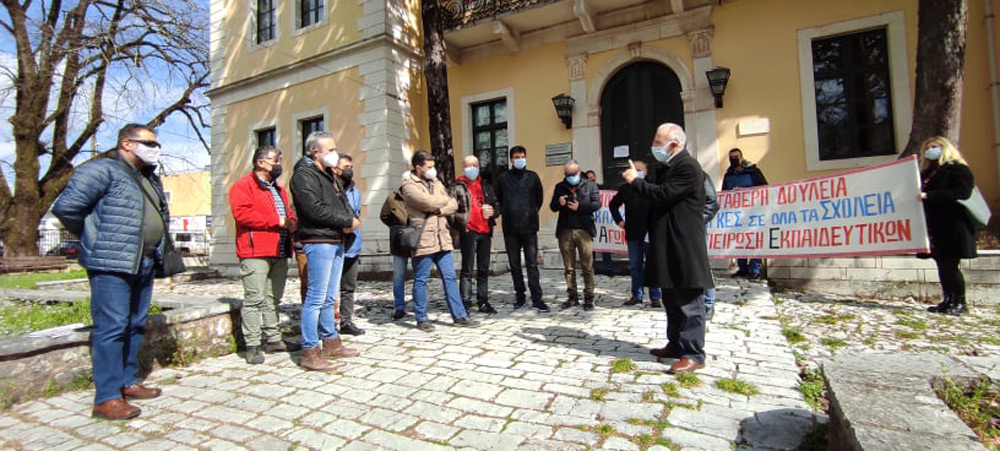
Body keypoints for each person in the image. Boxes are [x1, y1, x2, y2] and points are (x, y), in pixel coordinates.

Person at [53, 124, 168, 420]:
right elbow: (67, 208)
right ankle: (106, 398)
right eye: (149, 143)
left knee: (135, 324)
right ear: (127, 144)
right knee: (112, 326)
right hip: (111, 262)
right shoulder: (102, 169)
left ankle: (128, 381)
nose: (155, 148)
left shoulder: (147, 178)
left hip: (142, 260)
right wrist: (96, 237)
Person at [622, 123, 713, 374]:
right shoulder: (668, 167)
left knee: (689, 301)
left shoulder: (687, 166)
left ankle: (693, 353)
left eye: (658, 142)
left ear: (674, 144)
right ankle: (675, 344)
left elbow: (663, 194)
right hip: (666, 241)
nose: (654, 146)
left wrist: (635, 182)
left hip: (683, 242)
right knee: (671, 298)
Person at [289, 131, 361, 371]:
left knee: (330, 297)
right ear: (315, 152)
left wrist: (350, 218)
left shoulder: (328, 174)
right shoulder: (303, 175)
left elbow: (341, 202)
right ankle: (310, 350)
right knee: (316, 298)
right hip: (318, 240)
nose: (335, 154)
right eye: (330, 150)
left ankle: (331, 341)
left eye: (335, 149)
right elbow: (314, 209)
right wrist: (345, 221)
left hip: (336, 239)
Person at [228, 146, 299, 365]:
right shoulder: (242, 186)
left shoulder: (279, 190)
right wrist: (276, 221)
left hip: (279, 248)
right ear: (260, 162)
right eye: (275, 159)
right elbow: (242, 214)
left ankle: (274, 338)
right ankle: (252, 344)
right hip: (255, 250)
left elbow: (286, 213)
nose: (279, 163)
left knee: (273, 298)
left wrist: (291, 221)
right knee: (254, 299)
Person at [400, 151, 482, 331]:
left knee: (450, 277)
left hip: (442, 237)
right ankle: (421, 318)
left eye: (433, 166)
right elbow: (426, 202)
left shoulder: (437, 182)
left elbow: (453, 204)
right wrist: (442, 202)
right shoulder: (408, 185)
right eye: (429, 167)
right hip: (423, 238)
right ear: (418, 167)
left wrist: (440, 207)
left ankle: (459, 315)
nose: (432, 170)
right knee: (421, 279)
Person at [918, 136, 978, 316]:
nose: (930, 150)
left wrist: (930, 196)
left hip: (953, 225)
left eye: (934, 146)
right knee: (941, 264)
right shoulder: (927, 172)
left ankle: (960, 302)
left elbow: (962, 192)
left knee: (950, 265)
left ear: (945, 148)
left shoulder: (958, 169)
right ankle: (947, 300)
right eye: (927, 148)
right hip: (934, 225)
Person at [496, 146, 549, 312]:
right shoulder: (503, 178)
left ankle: (537, 298)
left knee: (532, 264)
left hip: (529, 227)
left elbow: (539, 199)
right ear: (511, 159)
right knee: (515, 265)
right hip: (510, 228)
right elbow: (498, 198)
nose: (520, 159)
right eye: (516, 157)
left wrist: (530, 212)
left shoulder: (532, 177)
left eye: (522, 156)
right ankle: (520, 295)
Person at [610, 160, 661, 308]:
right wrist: (619, 221)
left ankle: (655, 296)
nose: (637, 171)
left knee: (653, 265)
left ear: (645, 171)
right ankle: (636, 295)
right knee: (635, 266)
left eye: (640, 169)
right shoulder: (625, 188)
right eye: (634, 169)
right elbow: (613, 205)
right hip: (633, 232)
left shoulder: (652, 186)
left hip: (650, 233)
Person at [550, 160, 601, 310]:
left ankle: (589, 296)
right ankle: (572, 295)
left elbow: (596, 204)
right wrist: (559, 203)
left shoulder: (590, 185)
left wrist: (580, 207)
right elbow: (552, 207)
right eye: (567, 174)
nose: (569, 177)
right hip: (565, 230)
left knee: (587, 266)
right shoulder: (560, 187)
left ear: (579, 172)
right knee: (569, 267)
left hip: (584, 230)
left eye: (572, 174)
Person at [453, 156, 499, 314]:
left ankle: (483, 301)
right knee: (467, 269)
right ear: (463, 168)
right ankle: (465, 302)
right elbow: (451, 211)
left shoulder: (486, 186)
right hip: (468, 232)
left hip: (485, 231)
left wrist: (493, 212)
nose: (472, 168)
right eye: (468, 165)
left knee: (484, 269)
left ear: (479, 166)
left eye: (475, 165)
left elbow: (496, 205)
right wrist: (463, 223)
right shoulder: (457, 187)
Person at [721, 148, 768, 279]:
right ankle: (742, 268)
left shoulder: (753, 171)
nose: (734, 159)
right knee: (739, 240)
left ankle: (755, 270)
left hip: (753, 212)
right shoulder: (728, 175)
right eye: (731, 157)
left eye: (736, 157)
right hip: (736, 214)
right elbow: (724, 193)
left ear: (741, 157)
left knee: (754, 240)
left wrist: (747, 193)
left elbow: (765, 188)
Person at [336, 155, 365, 335]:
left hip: (352, 245)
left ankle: (346, 322)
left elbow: (357, 213)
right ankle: (324, 324)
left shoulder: (355, 190)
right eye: (346, 166)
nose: (349, 169)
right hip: (334, 243)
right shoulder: (330, 187)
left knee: (348, 287)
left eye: (351, 166)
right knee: (328, 288)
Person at [380, 171, 412, 320]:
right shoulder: (393, 197)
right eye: (405, 181)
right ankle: (399, 306)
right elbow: (384, 216)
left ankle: (419, 304)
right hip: (399, 240)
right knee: (399, 275)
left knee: (419, 274)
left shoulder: (416, 196)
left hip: (418, 239)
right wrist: (396, 227)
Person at [702, 173, 720, 320]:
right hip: (678, 229)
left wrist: (697, 221)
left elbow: (712, 203)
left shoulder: (701, 176)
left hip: (695, 228)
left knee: (702, 265)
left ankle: (708, 303)